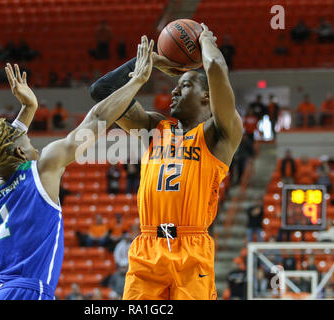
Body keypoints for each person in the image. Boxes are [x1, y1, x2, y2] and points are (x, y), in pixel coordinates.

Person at [0, 37, 154, 300]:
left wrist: (29, 107)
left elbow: (1, 147)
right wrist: (136, 80)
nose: (35, 145)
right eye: (29, 141)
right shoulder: (43, 169)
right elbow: (97, 118)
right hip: (28, 293)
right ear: (20, 152)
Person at [90, 23, 243, 300]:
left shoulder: (219, 135)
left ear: (206, 97)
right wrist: (153, 61)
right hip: (148, 246)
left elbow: (217, 70)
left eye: (183, 86)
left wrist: (205, 41)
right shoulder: (155, 127)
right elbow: (102, 91)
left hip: (191, 246)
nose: (172, 93)